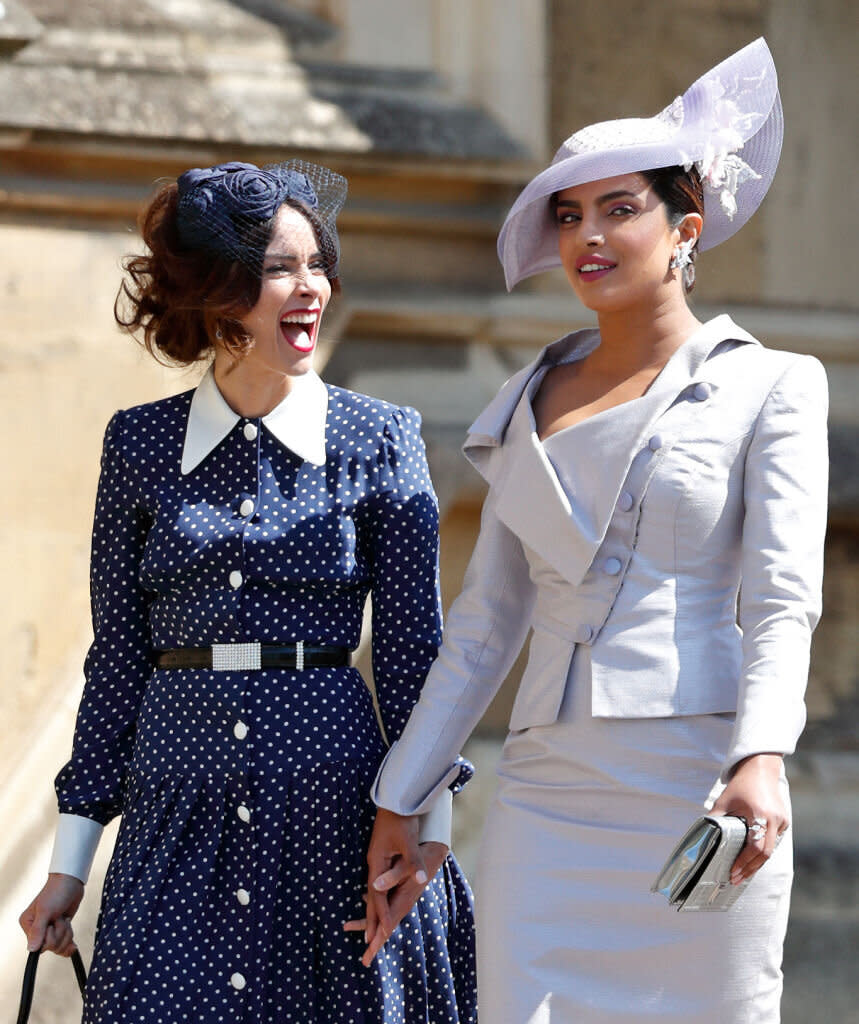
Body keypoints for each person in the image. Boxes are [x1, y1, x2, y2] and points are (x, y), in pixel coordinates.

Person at [364, 38, 828, 1023]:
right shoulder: (522, 396)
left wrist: (762, 756)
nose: (588, 234)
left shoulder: (775, 384)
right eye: (568, 214)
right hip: (546, 792)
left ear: (684, 230)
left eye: (620, 209)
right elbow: (485, 621)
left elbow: (783, 598)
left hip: (701, 778)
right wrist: (402, 795)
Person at [18, 159, 477, 1024]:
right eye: (278, 269)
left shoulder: (380, 437)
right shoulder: (138, 444)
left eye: (318, 264)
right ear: (215, 288)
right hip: (174, 807)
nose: (310, 288)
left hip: (336, 813)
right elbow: (117, 656)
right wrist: (70, 862)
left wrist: (425, 826)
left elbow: (418, 652)